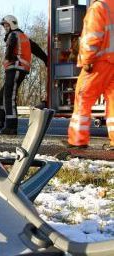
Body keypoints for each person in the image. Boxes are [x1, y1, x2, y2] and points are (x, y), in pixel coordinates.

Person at [67, 0, 114, 150]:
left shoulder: (99, 7)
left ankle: (77, 141)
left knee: (83, 97)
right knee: (113, 101)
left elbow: (92, 36)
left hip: (100, 62)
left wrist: (87, 59)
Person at [0, 15, 32, 135]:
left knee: (9, 96)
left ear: (12, 24)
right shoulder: (22, 36)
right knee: (2, 95)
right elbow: (34, 48)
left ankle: (11, 126)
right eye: (4, 25)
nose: (5, 27)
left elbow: (10, 48)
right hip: (17, 68)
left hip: (15, 67)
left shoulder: (13, 35)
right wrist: (46, 59)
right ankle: (0, 121)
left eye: (6, 25)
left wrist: (9, 57)